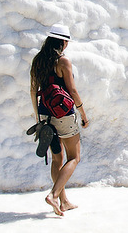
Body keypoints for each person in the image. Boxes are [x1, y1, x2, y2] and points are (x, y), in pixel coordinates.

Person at [29, 24, 89, 216]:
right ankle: (54, 195)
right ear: (63, 42)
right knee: (74, 157)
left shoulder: (38, 61)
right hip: (63, 115)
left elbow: (33, 90)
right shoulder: (63, 62)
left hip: (45, 115)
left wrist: (39, 117)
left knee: (57, 158)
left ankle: (63, 202)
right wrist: (83, 114)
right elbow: (72, 91)